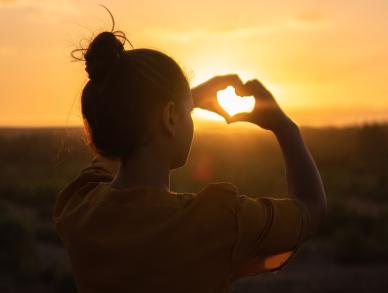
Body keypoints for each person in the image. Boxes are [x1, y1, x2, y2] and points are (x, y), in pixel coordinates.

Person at [52, 19, 326, 293]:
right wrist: (285, 126)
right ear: (170, 117)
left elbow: (116, 146)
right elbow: (310, 208)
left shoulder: (78, 208)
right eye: (186, 111)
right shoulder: (217, 223)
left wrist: (180, 100)